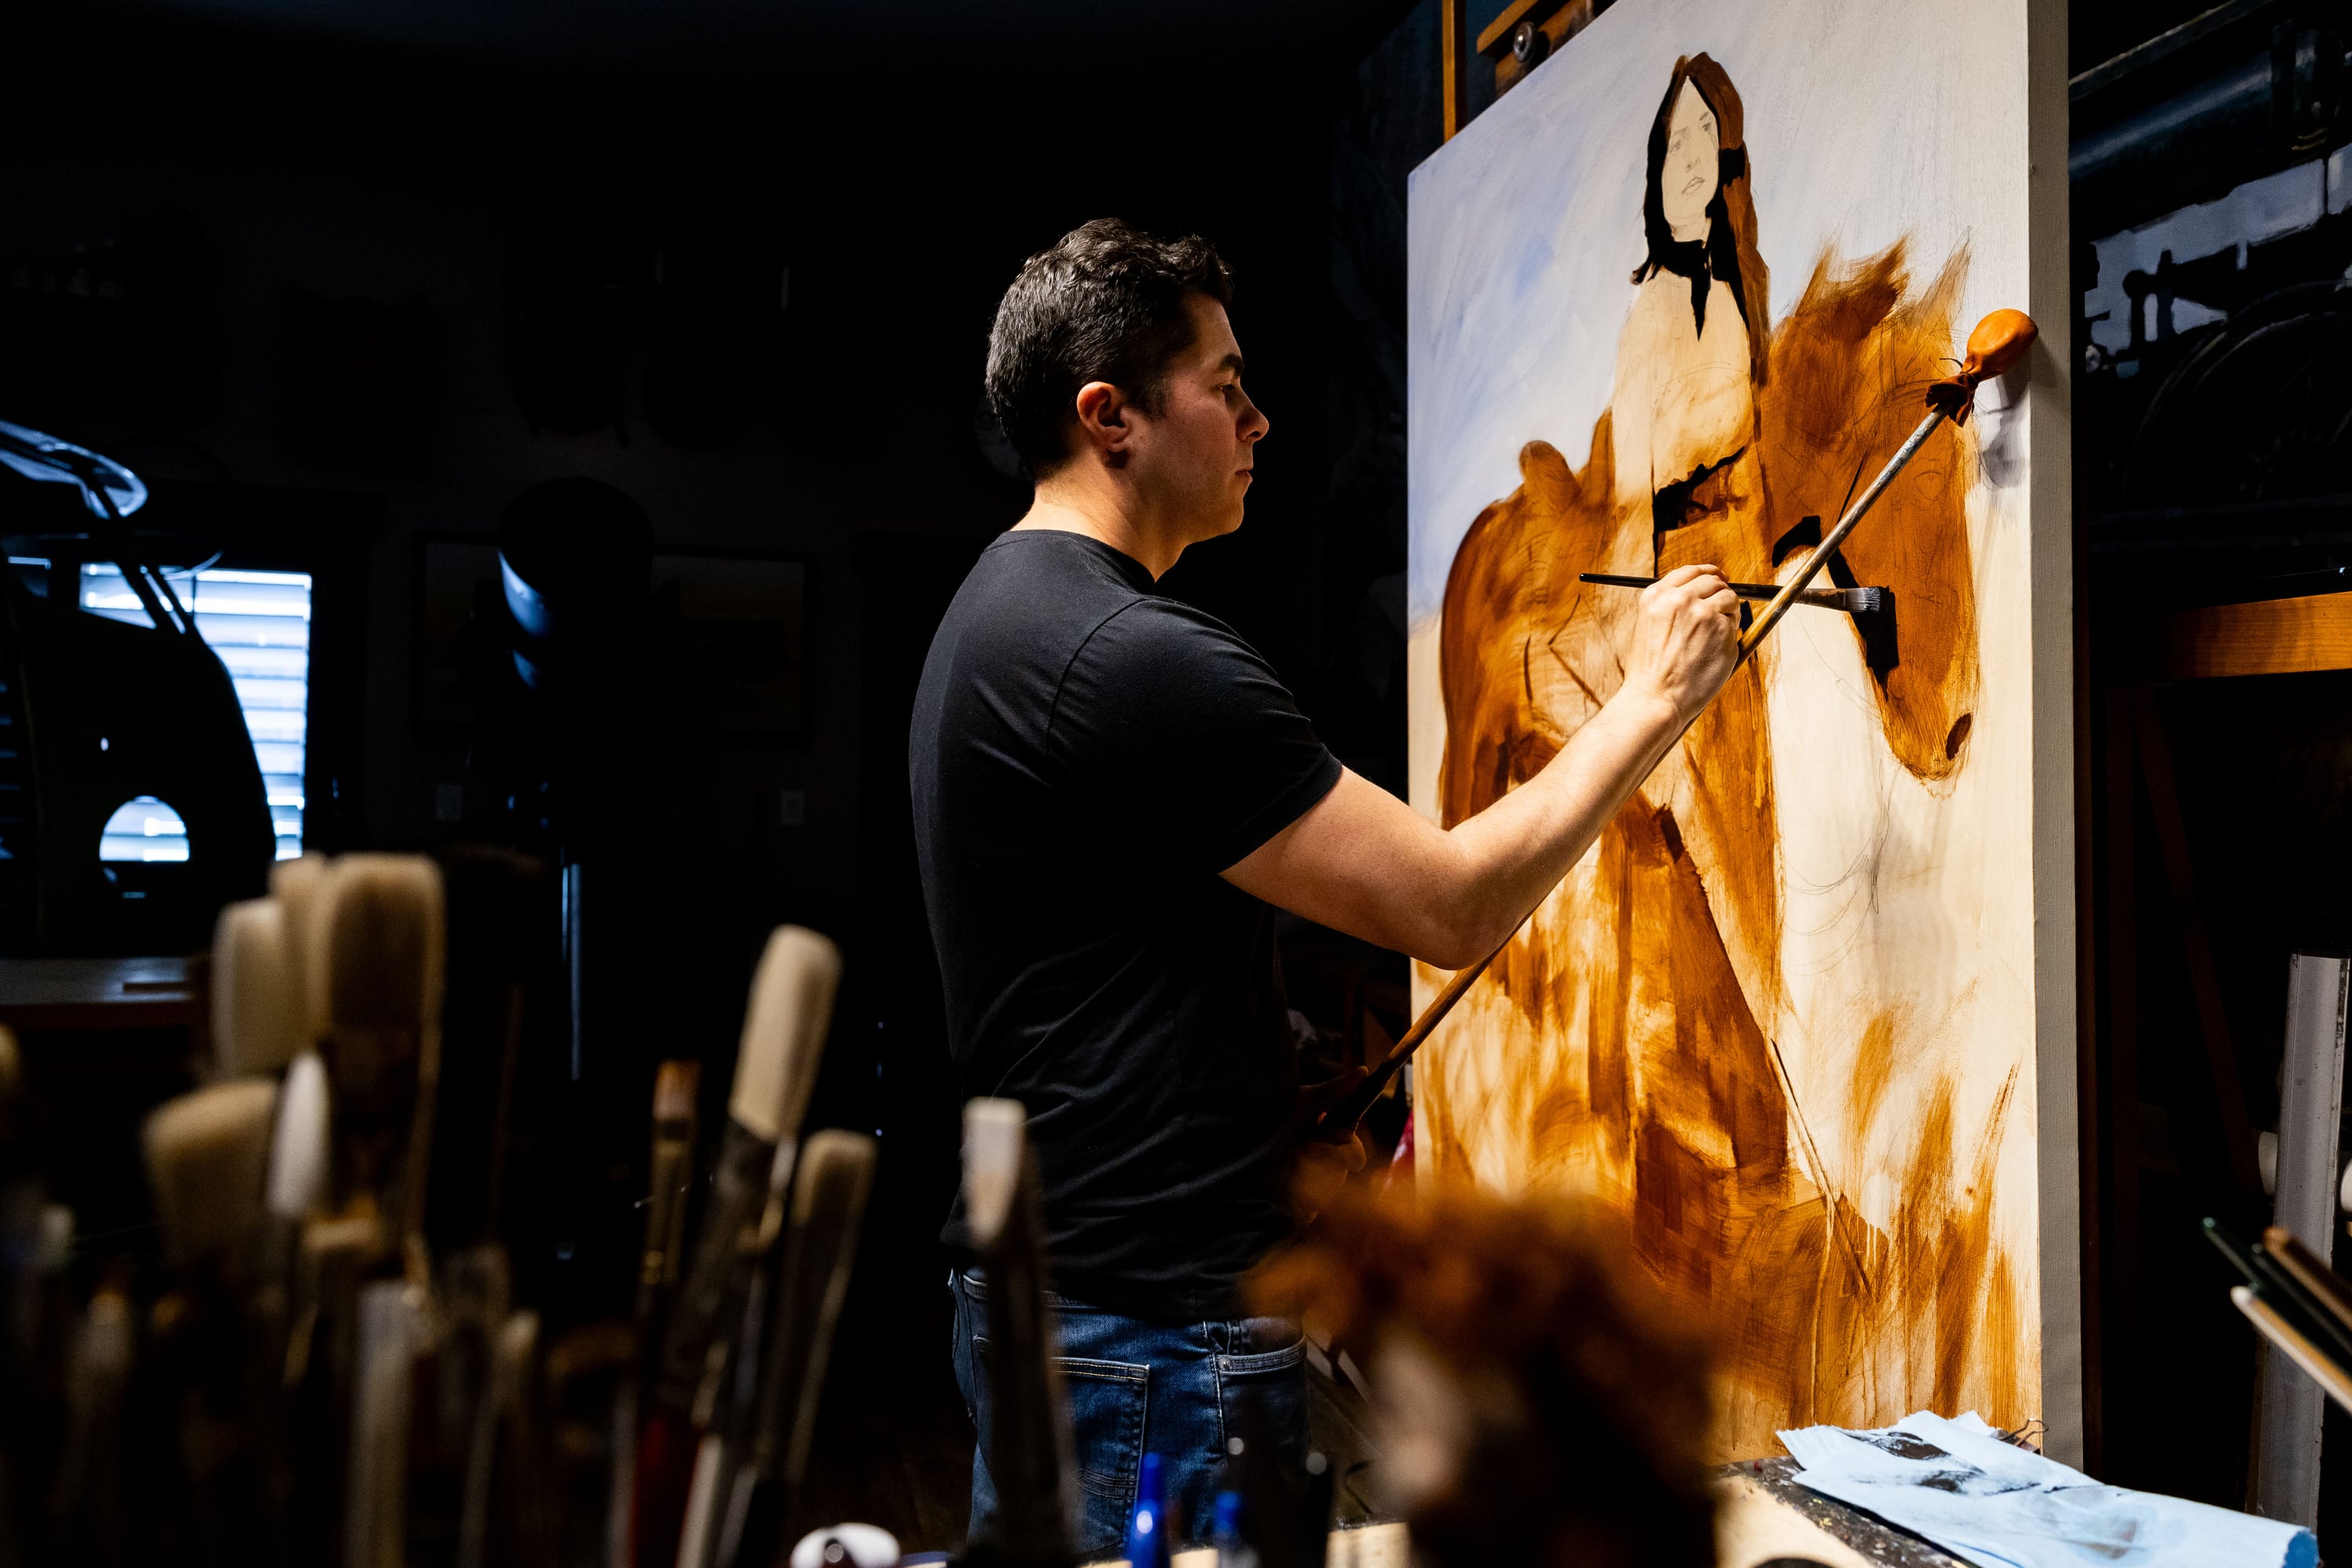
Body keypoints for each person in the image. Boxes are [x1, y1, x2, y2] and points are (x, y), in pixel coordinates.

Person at [909, 217, 1739, 1555]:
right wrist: (1653, 698)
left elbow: (1103, 973)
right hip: (1149, 1331)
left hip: (1080, 1304)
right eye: (1224, 384)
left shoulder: (1001, 611)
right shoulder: (1133, 654)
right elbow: (1453, 904)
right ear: (1108, 415)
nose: (1261, 418)